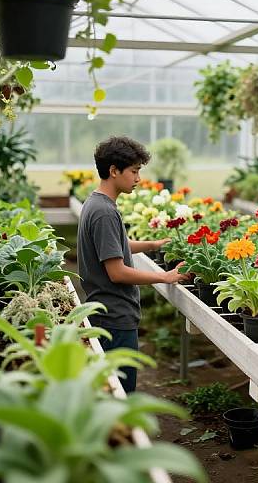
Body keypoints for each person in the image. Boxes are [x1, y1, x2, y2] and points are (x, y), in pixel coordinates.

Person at [77, 135, 188, 393]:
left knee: (111, 391)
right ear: (114, 171)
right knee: (121, 394)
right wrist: (165, 277)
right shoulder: (105, 212)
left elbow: (117, 245)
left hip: (105, 312)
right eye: (134, 171)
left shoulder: (95, 203)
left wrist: (153, 245)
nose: (138, 179)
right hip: (114, 317)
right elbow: (117, 272)